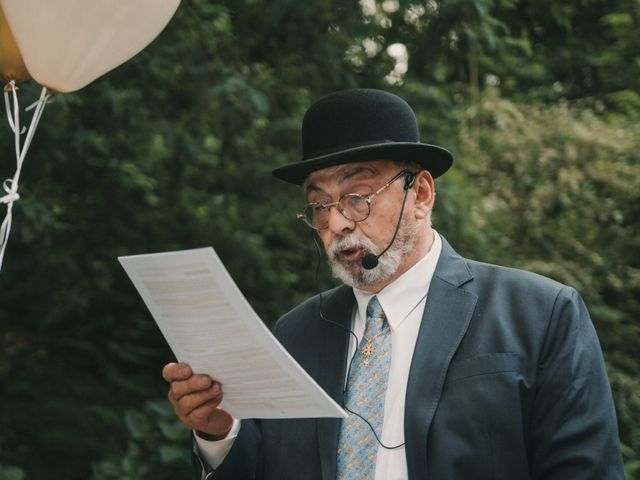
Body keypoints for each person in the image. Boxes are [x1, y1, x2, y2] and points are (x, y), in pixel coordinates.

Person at [162, 88, 624, 479]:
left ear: (420, 194)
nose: (337, 222)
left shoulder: (540, 313)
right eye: (319, 205)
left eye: (357, 197)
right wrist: (219, 432)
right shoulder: (295, 334)